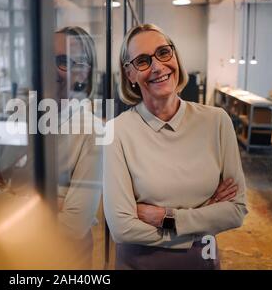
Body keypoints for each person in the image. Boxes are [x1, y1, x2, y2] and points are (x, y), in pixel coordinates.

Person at [103, 24, 248, 270]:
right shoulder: (116, 132)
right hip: (139, 265)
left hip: (201, 262)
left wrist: (165, 218)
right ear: (129, 75)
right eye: (142, 61)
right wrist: (201, 222)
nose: (158, 66)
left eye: (163, 53)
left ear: (175, 57)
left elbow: (236, 210)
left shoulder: (216, 121)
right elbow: (122, 228)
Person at [54, 26, 103, 268]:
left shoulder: (94, 132)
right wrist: (56, 201)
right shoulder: (22, 118)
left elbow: (74, 226)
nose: (50, 68)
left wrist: (18, 198)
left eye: (62, 61)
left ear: (84, 72)